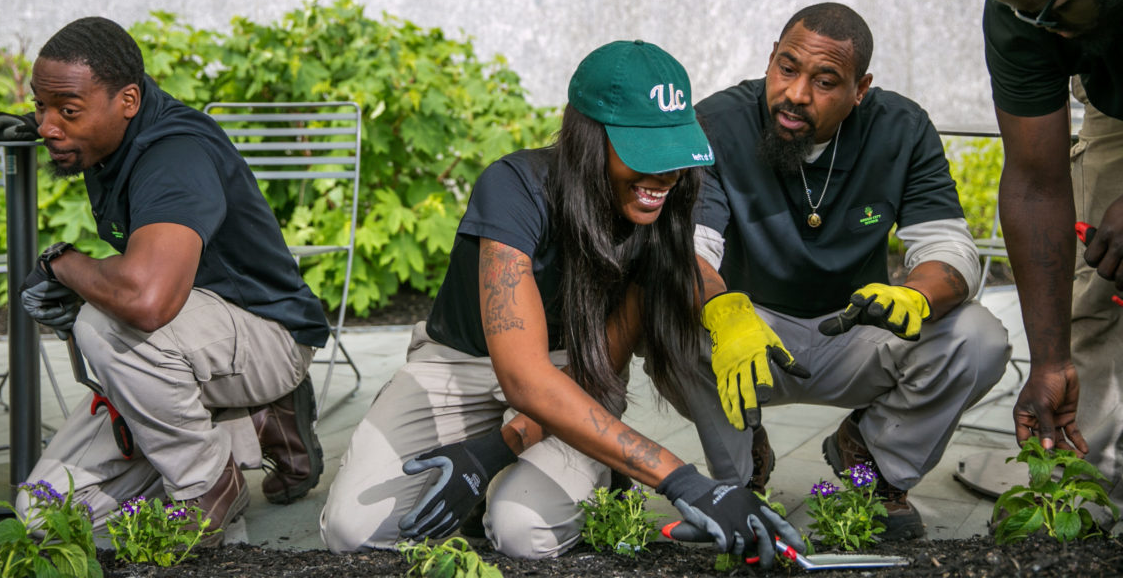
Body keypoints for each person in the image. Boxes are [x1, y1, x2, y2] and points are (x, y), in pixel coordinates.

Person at [319, 39, 804, 565]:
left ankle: (566, 474)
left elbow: (594, 368)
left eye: (673, 152)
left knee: (523, 532)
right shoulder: (515, 188)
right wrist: (683, 480)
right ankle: (506, 476)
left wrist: (498, 447)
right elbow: (523, 379)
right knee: (352, 530)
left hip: (577, 372)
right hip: (456, 365)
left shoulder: (661, 213)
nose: (665, 176)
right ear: (587, 138)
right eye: (645, 153)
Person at [0, 17, 330, 542]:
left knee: (104, 322)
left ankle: (207, 486)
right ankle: (253, 423)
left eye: (67, 111)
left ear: (127, 100)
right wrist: (44, 126)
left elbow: (147, 301)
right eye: (41, 106)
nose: (48, 126)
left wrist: (62, 264)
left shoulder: (174, 156)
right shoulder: (111, 132)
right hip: (191, 345)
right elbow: (73, 116)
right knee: (47, 512)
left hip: (267, 335)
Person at [681, 2, 1010, 541]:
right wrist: (721, 308)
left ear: (861, 88)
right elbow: (690, 249)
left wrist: (918, 297)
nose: (796, 93)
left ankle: (872, 465)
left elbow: (950, 249)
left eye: (825, 80)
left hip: (855, 330)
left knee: (979, 338)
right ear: (770, 60)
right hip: (750, 334)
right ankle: (738, 479)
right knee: (667, 317)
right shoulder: (718, 122)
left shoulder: (901, 129)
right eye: (787, 68)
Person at [964, 0, 1123, 522]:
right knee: (1110, 276)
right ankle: (1092, 489)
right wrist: (1049, 359)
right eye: (1020, 11)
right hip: (1120, 103)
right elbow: (1034, 181)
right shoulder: (1023, 7)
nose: (1037, 28)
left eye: (1051, 11)